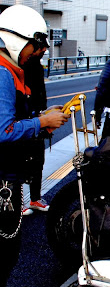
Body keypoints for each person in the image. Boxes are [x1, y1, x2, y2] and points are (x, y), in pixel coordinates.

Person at [0, 4, 68, 287]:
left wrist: (41, 117)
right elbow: (2, 130)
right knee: (2, 252)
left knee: (7, 250)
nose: (37, 51)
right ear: (16, 39)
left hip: (7, 175)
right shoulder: (3, 72)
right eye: (34, 44)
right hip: (1, 178)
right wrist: (41, 123)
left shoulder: (11, 70)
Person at [22, 44, 50, 215]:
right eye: (41, 48)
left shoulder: (37, 66)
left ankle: (34, 199)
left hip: (37, 117)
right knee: (19, 160)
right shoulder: (20, 65)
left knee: (38, 159)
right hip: (23, 118)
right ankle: (15, 202)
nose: (44, 50)